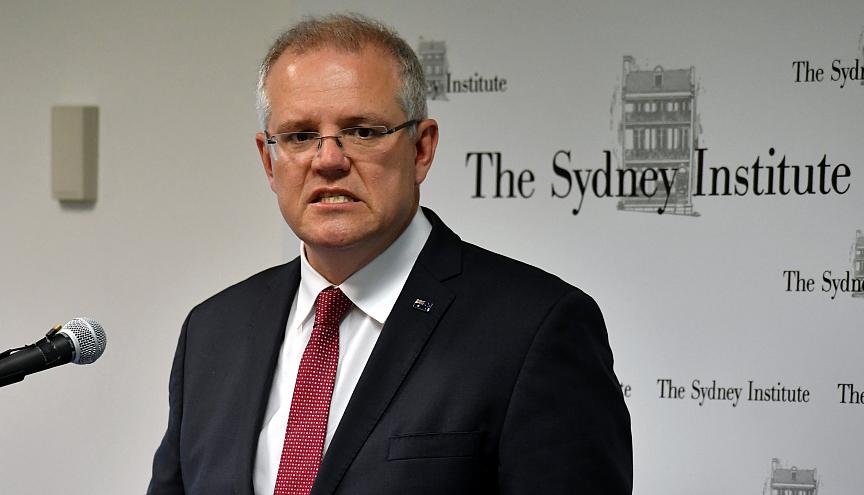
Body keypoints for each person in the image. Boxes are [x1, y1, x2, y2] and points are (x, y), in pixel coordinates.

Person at [148, 13, 631, 495]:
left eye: (363, 131)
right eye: (299, 136)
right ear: (269, 162)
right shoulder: (212, 332)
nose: (329, 159)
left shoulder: (534, 328)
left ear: (421, 149)